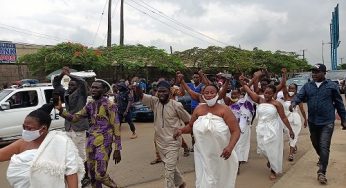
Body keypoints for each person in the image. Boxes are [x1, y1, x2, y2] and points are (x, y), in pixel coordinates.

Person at [0, 103, 84, 188]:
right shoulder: (23, 143)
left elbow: (71, 172)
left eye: (29, 128)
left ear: (43, 129)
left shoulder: (61, 143)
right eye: (24, 127)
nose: (25, 131)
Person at [56, 80, 121, 188]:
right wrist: (61, 111)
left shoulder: (109, 105)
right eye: (92, 88)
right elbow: (75, 118)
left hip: (104, 141)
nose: (93, 90)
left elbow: (116, 126)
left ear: (104, 90)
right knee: (92, 176)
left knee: (100, 174)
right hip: (91, 141)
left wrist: (118, 148)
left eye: (97, 88)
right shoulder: (90, 105)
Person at [174, 84, 240, 188]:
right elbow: (191, 126)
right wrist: (181, 130)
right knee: (207, 181)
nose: (209, 95)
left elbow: (236, 131)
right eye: (206, 93)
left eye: (212, 92)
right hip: (202, 154)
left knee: (220, 179)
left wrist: (230, 147)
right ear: (203, 95)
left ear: (217, 94)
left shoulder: (225, 110)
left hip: (221, 153)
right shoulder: (198, 109)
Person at [290, 63, 346, 184]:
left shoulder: (331, 86)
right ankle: (322, 158)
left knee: (324, 145)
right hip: (313, 121)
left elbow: (339, 103)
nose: (314, 74)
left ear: (324, 73)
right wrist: (294, 102)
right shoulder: (308, 86)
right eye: (313, 72)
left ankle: (322, 172)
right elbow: (299, 96)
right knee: (316, 144)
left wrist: (344, 119)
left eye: (317, 72)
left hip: (327, 121)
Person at [137, 80, 190, 188]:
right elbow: (141, 95)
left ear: (170, 93)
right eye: (159, 91)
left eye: (164, 91)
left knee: (168, 172)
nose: (161, 94)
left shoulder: (176, 105)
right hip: (160, 142)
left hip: (173, 142)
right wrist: (136, 86)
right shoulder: (154, 102)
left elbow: (188, 122)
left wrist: (181, 131)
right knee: (168, 166)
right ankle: (180, 183)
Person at [239, 76, 295, 180]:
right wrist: (242, 82)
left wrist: (290, 130)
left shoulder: (277, 104)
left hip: (273, 128)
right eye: (265, 92)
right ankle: (269, 159)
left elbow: (283, 117)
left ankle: (273, 170)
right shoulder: (259, 100)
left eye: (269, 93)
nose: (267, 95)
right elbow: (248, 90)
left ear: (274, 94)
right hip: (261, 128)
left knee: (273, 149)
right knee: (262, 148)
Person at [53, 66, 91, 186]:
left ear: (77, 87)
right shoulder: (66, 93)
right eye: (69, 85)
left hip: (79, 126)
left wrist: (69, 75)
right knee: (70, 153)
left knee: (81, 153)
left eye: (72, 85)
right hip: (68, 126)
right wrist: (61, 74)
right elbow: (56, 83)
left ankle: (86, 176)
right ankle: (75, 173)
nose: (70, 87)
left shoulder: (82, 94)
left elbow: (83, 82)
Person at [279, 68, 307, 162]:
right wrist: (284, 75)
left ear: (296, 90)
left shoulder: (298, 98)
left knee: (293, 135)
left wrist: (305, 120)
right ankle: (293, 145)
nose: (291, 90)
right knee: (288, 134)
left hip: (295, 119)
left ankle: (291, 154)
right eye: (290, 88)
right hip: (286, 119)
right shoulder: (286, 96)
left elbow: (302, 110)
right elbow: (283, 85)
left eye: (293, 88)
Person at [224, 88, 255, 173]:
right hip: (231, 130)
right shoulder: (229, 105)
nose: (234, 96)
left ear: (240, 94)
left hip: (243, 129)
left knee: (240, 146)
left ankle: (237, 166)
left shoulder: (244, 103)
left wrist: (244, 83)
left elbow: (249, 91)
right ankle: (233, 163)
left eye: (235, 94)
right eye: (232, 94)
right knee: (232, 146)